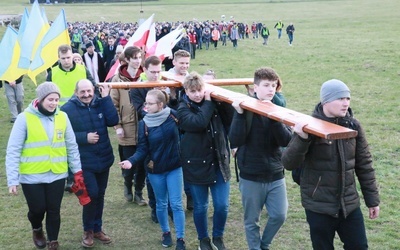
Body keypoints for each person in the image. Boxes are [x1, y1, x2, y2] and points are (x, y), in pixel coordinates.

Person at [282, 79, 380, 250]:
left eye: (348, 99)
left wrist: (372, 201)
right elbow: (289, 163)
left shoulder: (353, 126)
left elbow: (364, 165)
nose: (345, 103)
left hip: (349, 205)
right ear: (326, 101)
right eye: (340, 98)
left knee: (359, 246)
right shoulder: (309, 126)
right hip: (319, 207)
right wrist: (302, 138)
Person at [6, 82, 83, 250]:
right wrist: (12, 179)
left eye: (56, 99)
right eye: (50, 99)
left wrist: (77, 171)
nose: (54, 103)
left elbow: (71, 146)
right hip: (31, 176)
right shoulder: (24, 118)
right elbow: (13, 150)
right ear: (40, 99)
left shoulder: (62, 117)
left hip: (57, 174)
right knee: (38, 210)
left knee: (54, 210)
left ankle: (53, 242)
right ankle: (37, 228)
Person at [229, 67, 292, 250]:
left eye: (273, 85)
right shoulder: (245, 109)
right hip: (251, 175)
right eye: (266, 85)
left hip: (275, 174)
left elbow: (286, 140)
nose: (271, 89)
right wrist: (240, 115)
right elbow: (235, 139)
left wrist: (274, 117)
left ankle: (263, 245)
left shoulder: (278, 110)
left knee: (279, 215)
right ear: (254, 88)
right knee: (251, 220)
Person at [120, 89, 186, 250]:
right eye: (146, 103)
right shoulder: (144, 124)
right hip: (155, 170)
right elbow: (142, 149)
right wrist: (131, 161)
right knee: (161, 203)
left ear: (160, 104)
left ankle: (180, 238)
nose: (146, 106)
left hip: (174, 167)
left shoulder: (173, 116)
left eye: (150, 103)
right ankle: (165, 233)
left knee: (176, 204)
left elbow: (186, 131)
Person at [177, 72, 233, 250]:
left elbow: (231, 119)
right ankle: (203, 239)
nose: (197, 94)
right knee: (201, 206)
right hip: (196, 165)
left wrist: (222, 100)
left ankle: (218, 237)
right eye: (192, 91)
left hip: (218, 161)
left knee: (222, 205)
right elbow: (198, 122)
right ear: (186, 90)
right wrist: (209, 102)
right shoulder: (182, 108)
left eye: (200, 90)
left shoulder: (215, 103)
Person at [60, 79, 119, 248]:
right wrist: (84, 137)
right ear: (75, 92)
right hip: (84, 161)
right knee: (91, 194)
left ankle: (97, 229)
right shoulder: (67, 110)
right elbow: (63, 135)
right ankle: (88, 230)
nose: (86, 95)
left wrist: (107, 98)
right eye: (82, 92)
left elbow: (113, 120)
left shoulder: (100, 103)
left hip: (104, 158)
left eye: (89, 91)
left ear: (94, 90)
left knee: (100, 194)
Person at [46, 44, 96, 192]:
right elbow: (47, 93)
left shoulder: (82, 69)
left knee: (78, 144)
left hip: (80, 113)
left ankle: (80, 175)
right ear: (58, 58)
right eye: (63, 58)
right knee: (63, 145)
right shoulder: (53, 73)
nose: (66, 61)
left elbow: (93, 87)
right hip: (59, 115)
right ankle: (68, 177)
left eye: (68, 57)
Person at [110, 46, 147, 206]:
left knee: (142, 164)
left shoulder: (144, 77)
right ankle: (127, 186)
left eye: (140, 57)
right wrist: (117, 126)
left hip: (144, 126)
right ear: (127, 60)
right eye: (135, 58)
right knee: (128, 162)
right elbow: (114, 104)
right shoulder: (117, 79)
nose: (138, 61)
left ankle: (139, 192)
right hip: (127, 126)